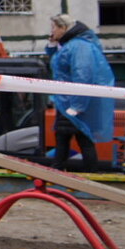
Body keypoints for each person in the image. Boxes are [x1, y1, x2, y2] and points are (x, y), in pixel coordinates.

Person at [45, 13, 115, 172]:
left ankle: (68, 174)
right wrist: (51, 44)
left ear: (63, 28)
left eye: (54, 28)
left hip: (72, 102)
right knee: (72, 138)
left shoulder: (79, 46)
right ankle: (80, 174)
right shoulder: (70, 45)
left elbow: (83, 75)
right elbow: (58, 61)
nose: (52, 31)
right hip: (68, 100)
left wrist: (77, 106)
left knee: (75, 139)